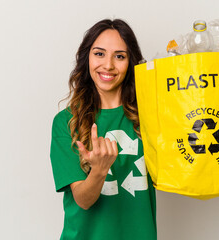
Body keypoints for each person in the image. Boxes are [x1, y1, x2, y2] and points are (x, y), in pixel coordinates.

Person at [50, 19, 156, 240]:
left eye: (119, 56)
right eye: (99, 54)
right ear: (86, 57)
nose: (108, 65)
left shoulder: (150, 116)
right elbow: (83, 200)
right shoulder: (66, 122)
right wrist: (99, 170)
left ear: (131, 62)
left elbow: (182, 167)